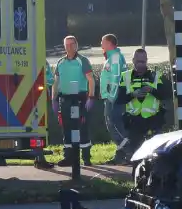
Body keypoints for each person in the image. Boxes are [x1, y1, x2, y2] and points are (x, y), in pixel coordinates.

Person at [113, 48, 171, 165]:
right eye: (138, 61)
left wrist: (153, 90)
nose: (141, 64)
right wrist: (133, 94)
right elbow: (119, 99)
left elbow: (166, 95)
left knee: (157, 155)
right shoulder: (126, 76)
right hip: (135, 120)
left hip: (153, 119)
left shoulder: (155, 76)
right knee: (136, 155)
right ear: (133, 60)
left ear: (147, 61)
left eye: (143, 62)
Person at [51, 35, 95, 167]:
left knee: (82, 128)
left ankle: (86, 158)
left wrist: (91, 97)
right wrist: (54, 99)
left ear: (76, 45)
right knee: (66, 128)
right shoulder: (60, 62)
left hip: (79, 98)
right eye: (67, 45)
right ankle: (68, 157)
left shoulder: (82, 61)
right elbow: (56, 82)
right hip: (65, 99)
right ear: (64, 46)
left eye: (72, 44)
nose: (69, 47)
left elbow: (91, 80)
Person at [98, 33, 128, 149]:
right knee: (115, 124)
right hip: (114, 96)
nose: (101, 44)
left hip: (113, 97)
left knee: (113, 124)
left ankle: (127, 149)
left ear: (109, 43)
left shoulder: (114, 57)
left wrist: (111, 96)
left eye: (103, 41)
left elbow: (116, 77)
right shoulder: (113, 56)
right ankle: (122, 152)